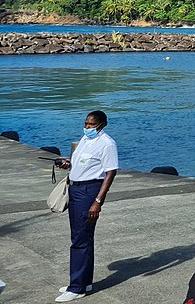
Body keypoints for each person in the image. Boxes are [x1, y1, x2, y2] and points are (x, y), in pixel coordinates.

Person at [53, 111, 118, 302]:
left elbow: (110, 173)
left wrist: (97, 202)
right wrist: (67, 164)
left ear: (102, 125)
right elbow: (79, 163)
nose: (88, 127)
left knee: (81, 238)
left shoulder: (107, 144)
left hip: (89, 191)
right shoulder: (84, 139)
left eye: (92, 124)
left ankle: (77, 287)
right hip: (75, 188)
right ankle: (84, 281)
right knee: (80, 236)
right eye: (86, 123)